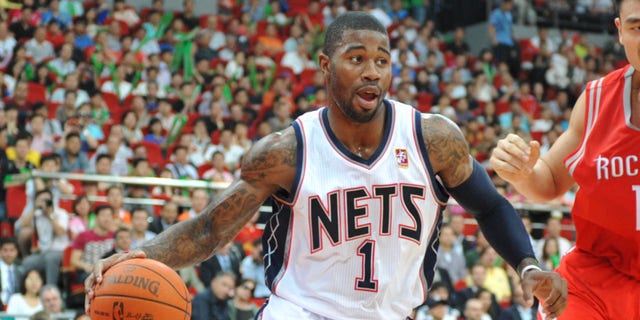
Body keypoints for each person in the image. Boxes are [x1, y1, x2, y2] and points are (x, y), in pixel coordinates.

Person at [86, 12, 566, 319]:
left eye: (382, 60)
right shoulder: (285, 152)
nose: (372, 71)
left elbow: (491, 207)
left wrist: (526, 264)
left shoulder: (433, 138)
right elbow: (210, 230)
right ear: (325, 64)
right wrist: (140, 257)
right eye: (356, 58)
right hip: (300, 312)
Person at [489, 1, 640, 319]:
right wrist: (521, 172)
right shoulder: (597, 100)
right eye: (637, 28)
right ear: (620, 32)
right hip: (595, 277)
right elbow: (550, 182)